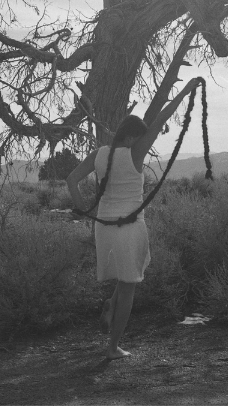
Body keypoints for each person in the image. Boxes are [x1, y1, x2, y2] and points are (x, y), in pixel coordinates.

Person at [65, 114, 161, 360]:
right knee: (130, 286)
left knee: (127, 278)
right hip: (129, 228)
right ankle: (113, 348)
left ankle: (110, 305)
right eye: (137, 140)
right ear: (130, 137)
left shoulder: (99, 154)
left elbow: (72, 179)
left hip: (104, 226)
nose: (140, 145)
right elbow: (160, 120)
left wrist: (83, 209)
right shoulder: (133, 154)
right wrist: (183, 92)